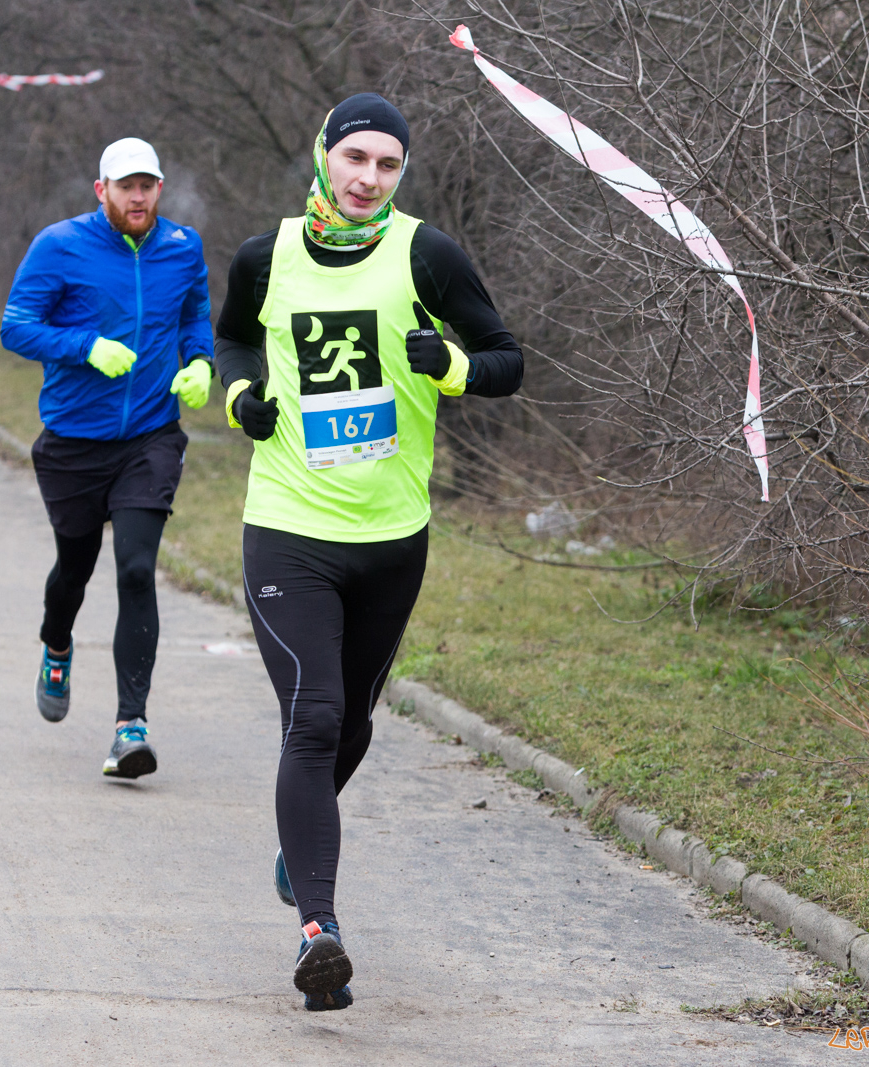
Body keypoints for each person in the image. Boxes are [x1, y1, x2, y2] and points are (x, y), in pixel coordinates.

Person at [214, 94, 523, 1010]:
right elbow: (231, 338)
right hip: (289, 525)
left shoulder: (425, 254)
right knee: (313, 716)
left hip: (392, 540)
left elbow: (507, 358)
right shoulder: (264, 255)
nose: (368, 179)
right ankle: (320, 930)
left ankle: (297, 843)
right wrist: (241, 401)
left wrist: (451, 366)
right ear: (322, 157)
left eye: (387, 165)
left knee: (350, 727)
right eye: (355, 158)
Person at [0, 137, 213, 780]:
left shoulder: (183, 247)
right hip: (73, 440)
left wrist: (201, 361)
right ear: (103, 192)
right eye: (126, 186)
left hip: (150, 437)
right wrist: (85, 346)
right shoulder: (59, 245)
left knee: (135, 569)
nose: (139, 196)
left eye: (148, 185)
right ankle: (56, 645)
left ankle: (130, 727)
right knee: (76, 565)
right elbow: (16, 325)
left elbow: (195, 314)